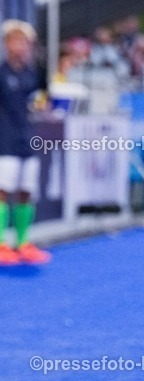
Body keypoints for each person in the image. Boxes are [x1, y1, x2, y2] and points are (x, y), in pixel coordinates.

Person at [0, 19, 49, 266]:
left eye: (24, 42)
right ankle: (1, 243)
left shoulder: (33, 74)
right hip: (4, 140)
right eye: (15, 41)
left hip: (27, 139)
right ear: (6, 44)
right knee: (2, 190)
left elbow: (43, 98)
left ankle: (23, 242)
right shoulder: (1, 73)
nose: (20, 47)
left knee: (26, 191)